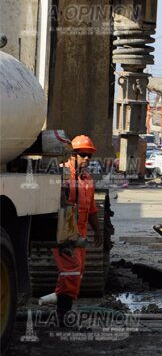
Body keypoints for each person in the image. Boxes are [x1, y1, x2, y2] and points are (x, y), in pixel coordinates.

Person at [55, 135, 102, 325]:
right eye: (83, 154)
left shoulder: (87, 180)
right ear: (72, 155)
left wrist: (98, 232)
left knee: (78, 272)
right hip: (65, 231)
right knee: (71, 271)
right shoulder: (62, 175)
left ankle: (67, 309)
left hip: (80, 232)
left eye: (89, 155)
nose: (87, 159)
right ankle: (63, 315)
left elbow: (91, 209)